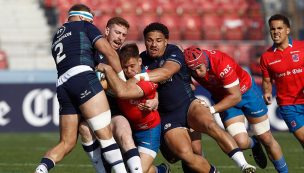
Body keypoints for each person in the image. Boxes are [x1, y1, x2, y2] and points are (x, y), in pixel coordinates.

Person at [100, 22, 256, 173]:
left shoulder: (173, 52)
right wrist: (155, 98)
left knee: (210, 126)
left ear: (166, 41)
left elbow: (167, 72)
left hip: (188, 106)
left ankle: (244, 165)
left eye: (159, 40)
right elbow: (140, 87)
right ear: (145, 41)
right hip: (168, 117)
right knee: (185, 156)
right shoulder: (140, 61)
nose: (154, 44)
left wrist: (139, 78)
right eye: (150, 40)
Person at [34, 4, 127, 173]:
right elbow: (110, 53)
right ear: (84, 18)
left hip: (62, 85)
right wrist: (123, 81)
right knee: (105, 135)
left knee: (67, 143)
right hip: (83, 77)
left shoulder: (56, 37)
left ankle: (42, 168)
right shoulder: (85, 26)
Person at [184, 46, 289, 173]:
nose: (198, 73)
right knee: (241, 142)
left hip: (246, 93)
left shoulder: (221, 62)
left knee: (266, 138)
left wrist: (211, 110)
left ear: (205, 62)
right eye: (193, 71)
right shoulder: (188, 65)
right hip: (223, 99)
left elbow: (235, 96)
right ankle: (254, 144)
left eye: (199, 68)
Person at [98, 43, 169, 173]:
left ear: (140, 61)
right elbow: (101, 85)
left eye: (132, 66)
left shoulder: (149, 78)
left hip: (149, 131)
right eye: (125, 67)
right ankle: (161, 170)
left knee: (136, 170)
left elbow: (126, 91)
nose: (129, 70)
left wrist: (155, 100)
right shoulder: (119, 79)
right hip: (130, 131)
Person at [260, 14, 304, 148]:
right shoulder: (266, 57)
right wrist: (267, 93)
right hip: (288, 105)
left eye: (280, 28)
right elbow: (267, 80)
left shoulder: (301, 47)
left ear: (288, 30)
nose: (276, 32)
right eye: (273, 29)